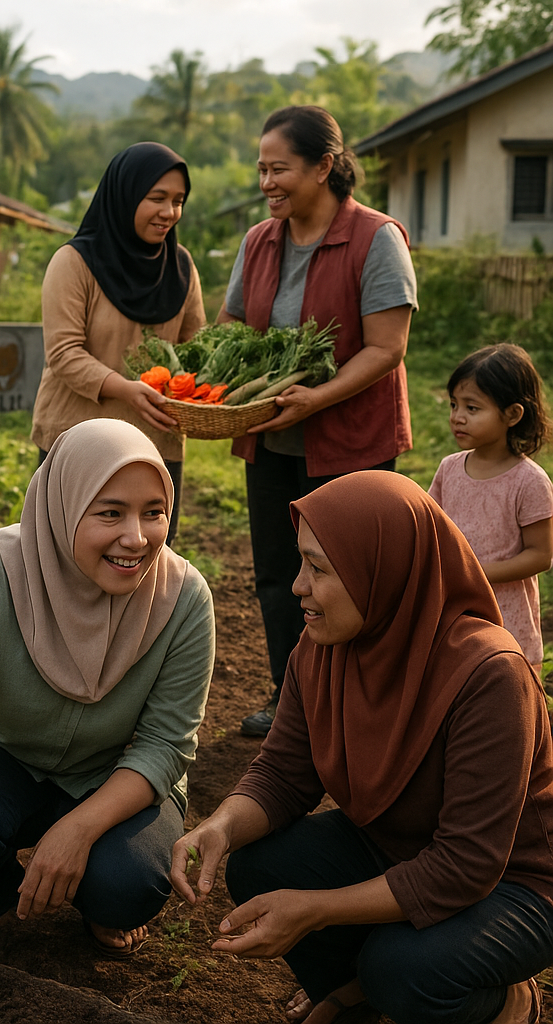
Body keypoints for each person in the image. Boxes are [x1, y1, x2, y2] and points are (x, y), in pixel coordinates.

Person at [171, 472, 553, 1024]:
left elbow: (467, 865)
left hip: (515, 885)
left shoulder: (489, 674)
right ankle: (353, 991)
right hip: (399, 847)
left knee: (404, 969)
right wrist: (221, 826)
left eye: (319, 569)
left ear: (385, 572)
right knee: (260, 865)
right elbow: (283, 773)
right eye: (300, 563)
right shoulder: (322, 644)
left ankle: (507, 1002)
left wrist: (316, 911)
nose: (298, 585)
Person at [0, 419, 214, 960]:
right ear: (62, 506)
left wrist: (78, 829)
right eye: (110, 512)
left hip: (110, 778)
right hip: (0, 758)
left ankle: (98, 900)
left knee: (127, 887)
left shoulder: (184, 600)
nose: (137, 537)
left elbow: (165, 745)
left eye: (154, 512)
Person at [221, 105, 418, 738]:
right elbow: (231, 328)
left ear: (324, 166)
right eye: (261, 170)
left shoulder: (375, 237)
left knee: (352, 578)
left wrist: (319, 397)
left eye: (279, 169)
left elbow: (387, 348)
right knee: (279, 575)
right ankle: (293, 701)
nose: (266, 183)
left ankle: (362, 709)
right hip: (274, 438)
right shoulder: (258, 241)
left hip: (350, 441)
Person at [30, 142, 206, 544]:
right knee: (67, 560)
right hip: (78, 436)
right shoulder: (75, 262)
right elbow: (64, 353)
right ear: (125, 195)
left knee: (145, 562)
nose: (169, 212)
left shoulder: (180, 266)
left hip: (153, 440)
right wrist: (127, 391)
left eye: (178, 201)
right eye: (156, 198)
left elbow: (196, 346)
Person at [429, 343, 553, 677]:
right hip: (454, 610)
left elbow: (541, 556)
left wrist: (475, 572)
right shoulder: (449, 469)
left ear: (512, 415)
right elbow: (431, 530)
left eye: (472, 407)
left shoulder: (530, 481)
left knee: (508, 698)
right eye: (454, 404)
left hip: (506, 618)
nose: (457, 416)